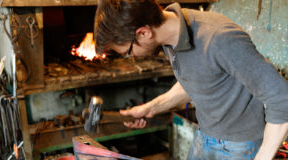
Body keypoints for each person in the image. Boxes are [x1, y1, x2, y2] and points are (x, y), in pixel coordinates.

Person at [93, 0, 288, 159]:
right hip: (204, 135)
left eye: (128, 52)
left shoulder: (219, 38)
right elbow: (197, 81)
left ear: (144, 33)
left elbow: (282, 99)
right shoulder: (173, 37)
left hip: (239, 146)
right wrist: (150, 108)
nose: (131, 57)